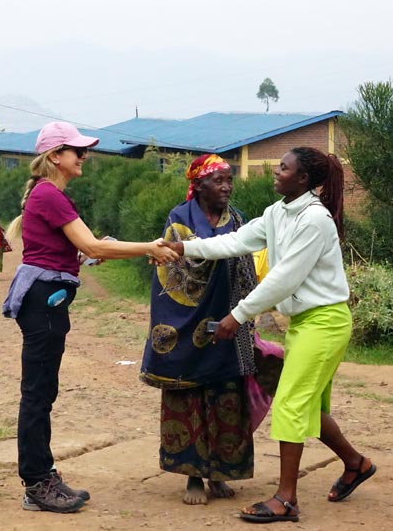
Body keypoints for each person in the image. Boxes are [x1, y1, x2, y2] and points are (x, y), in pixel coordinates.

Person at [158, 147, 376, 523]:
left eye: (284, 168)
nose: (276, 172)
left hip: (325, 322)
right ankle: (356, 464)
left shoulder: (314, 220)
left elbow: (283, 278)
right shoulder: (278, 214)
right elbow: (235, 242)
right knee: (308, 407)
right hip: (304, 323)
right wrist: (184, 247)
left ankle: (286, 499)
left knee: (291, 405)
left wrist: (237, 316)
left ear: (303, 179)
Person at [2, 121, 178, 514]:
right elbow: (91, 243)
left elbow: (81, 250)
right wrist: (148, 246)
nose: (84, 156)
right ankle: (35, 483)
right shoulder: (50, 195)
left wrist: (100, 252)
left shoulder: (48, 194)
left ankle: (42, 475)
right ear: (54, 157)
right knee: (37, 394)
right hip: (44, 302)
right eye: (76, 150)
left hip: (48, 299)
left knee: (42, 391)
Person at [140, 154, 258, 505]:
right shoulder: (180, 219)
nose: (226, 186)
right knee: (188, 393)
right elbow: (172, 274)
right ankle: (193, 475)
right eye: (218, 180)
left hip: (228, 320)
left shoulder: (237, 219)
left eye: (229, 179)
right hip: (186, 320)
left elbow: (246, 266)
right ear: (199, 185)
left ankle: (220, 472)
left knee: (227, 396)